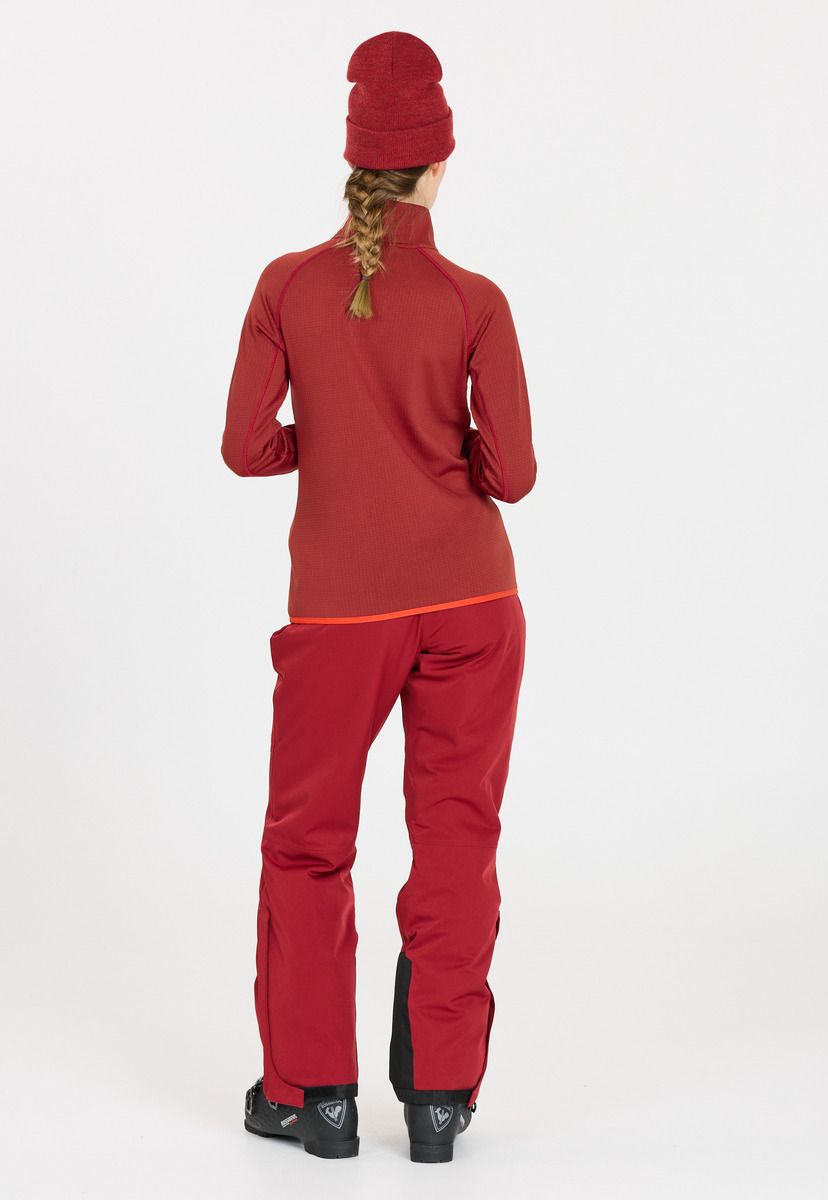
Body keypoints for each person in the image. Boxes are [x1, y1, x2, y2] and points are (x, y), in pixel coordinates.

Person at [221, 30, 537, 1164]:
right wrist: (433, 452)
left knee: (309, 843)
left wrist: (335, 446)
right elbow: (513, 475)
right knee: (456, 838)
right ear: (438, 164)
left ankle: (316, 1099)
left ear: (354, 160)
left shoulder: (287, 286)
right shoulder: (474, 299)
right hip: (472, 606)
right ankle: (441, 1101)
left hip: (340, 613)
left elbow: (246, 447)